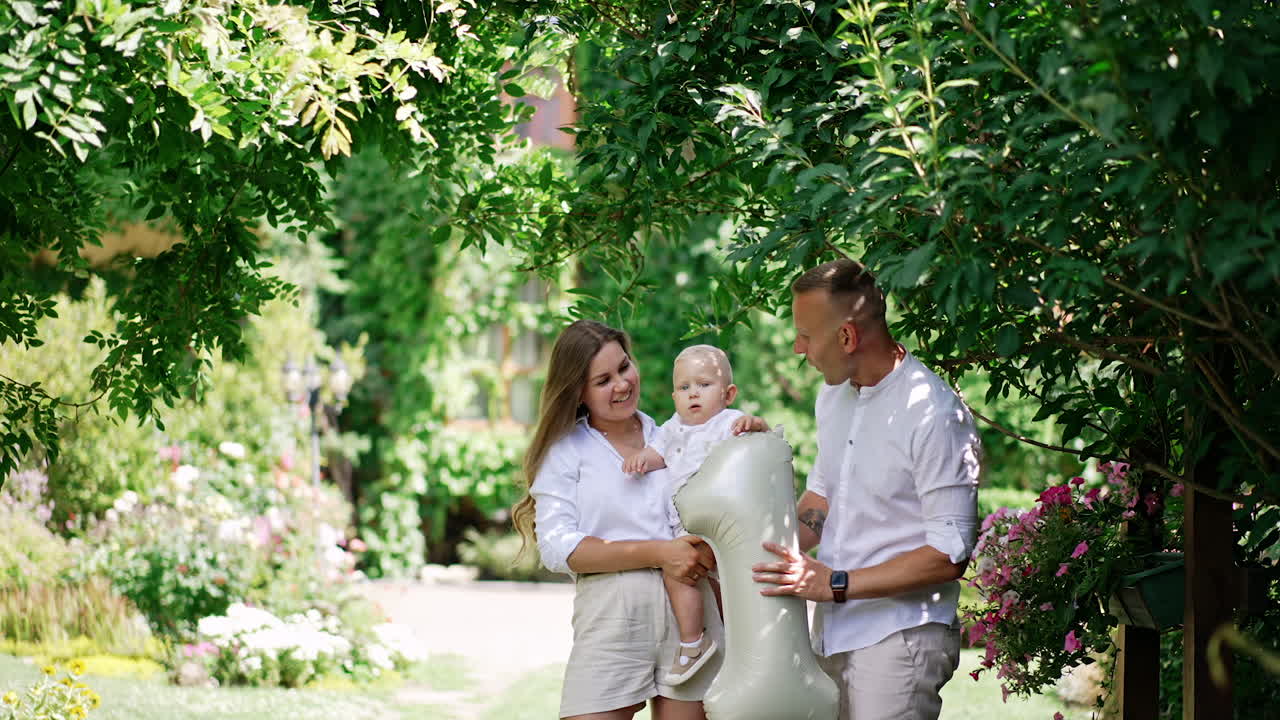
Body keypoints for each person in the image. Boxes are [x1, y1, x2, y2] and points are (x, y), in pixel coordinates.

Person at [751, 258, 981, 720]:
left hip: (901, 638)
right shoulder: (833, 396)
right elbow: (821, 502)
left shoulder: (933, 414)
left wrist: (835, 582)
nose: (798, 348)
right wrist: (742, 547)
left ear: (847, 337)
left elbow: (949, 553)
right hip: (835, 628)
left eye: (806, 335)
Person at [512, 319, 725, 720]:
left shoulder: (676, 439)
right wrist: (659, 552)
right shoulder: (565, 452)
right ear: (578, 391)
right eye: (603, 379)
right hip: (612, 613)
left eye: (624, 367)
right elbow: (558, 549)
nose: (622, 384)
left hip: (692, 619)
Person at [621, 344, 769, 685]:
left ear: (728, 393)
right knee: (681, 576)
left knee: (731, 584)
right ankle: (695, 641)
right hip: (685, 525)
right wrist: (643, 458)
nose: (693, 394)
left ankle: (736, 642)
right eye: (684, 388)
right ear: (674, 397)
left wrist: (754, 423)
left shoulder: (729, 422)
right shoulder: (672, 428)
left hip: (722, 519)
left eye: (703, 385)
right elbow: (658, 455)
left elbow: (760, 439)